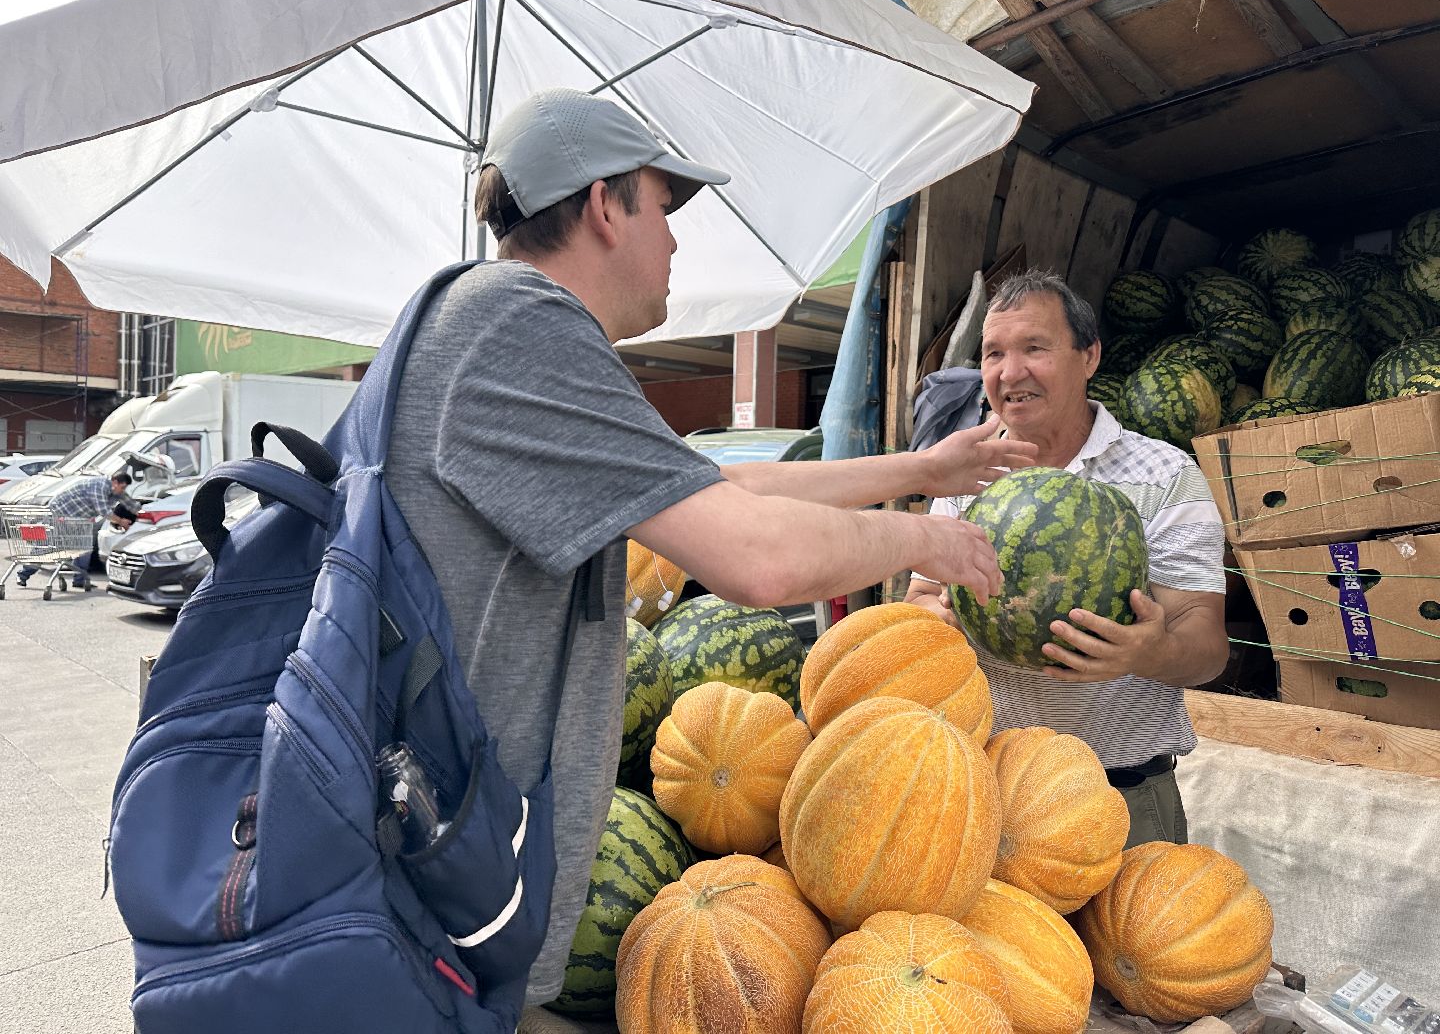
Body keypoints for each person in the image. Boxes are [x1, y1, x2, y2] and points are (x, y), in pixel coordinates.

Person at [385, 87, 1037, 1009]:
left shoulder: (497, 326)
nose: (677, 240)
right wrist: (930, 535)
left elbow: (721, 491)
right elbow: (754, 558)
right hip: (430, 896)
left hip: (434, 865)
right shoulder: (521, 325)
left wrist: (921, 466)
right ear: (606, 205)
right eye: (663, 206)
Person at [906, 268, 1229, 848]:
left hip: (1124, 800)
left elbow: (1206, 644)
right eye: (994, 354)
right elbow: (922, 601)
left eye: (1035, 348)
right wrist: (942, 622)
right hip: (991, 794)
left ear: (1089, 356)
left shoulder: (1167, 476)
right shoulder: (963, 473)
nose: (1011, 372)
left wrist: (1150, 652)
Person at [17, 471, 132, 589]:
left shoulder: (112, 494)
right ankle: (23, 574)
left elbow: (109, 512)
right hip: (60, 513)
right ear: (115, 482)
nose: (122, 491)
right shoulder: (100, 485)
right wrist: (121, 521)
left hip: (78, 519)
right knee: (47, 547)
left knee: (84, 549)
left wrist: (119, 521)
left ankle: (80, 579)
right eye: (122, 487)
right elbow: (104, 511)